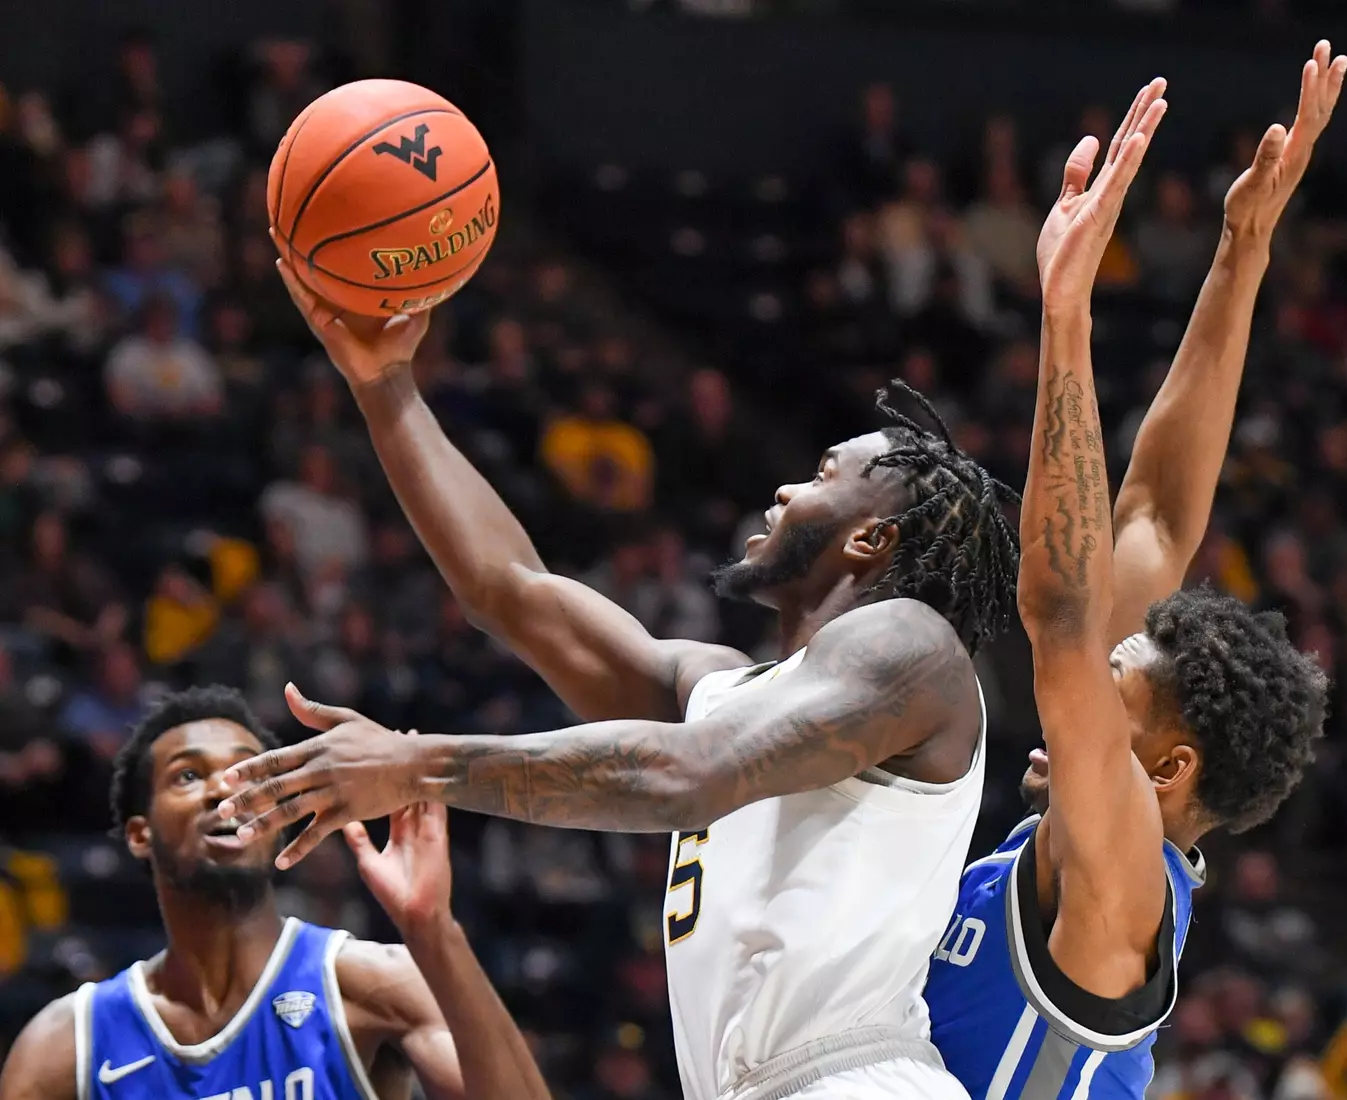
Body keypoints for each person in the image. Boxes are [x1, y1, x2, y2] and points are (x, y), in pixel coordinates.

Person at [208, 176, 1032, 1098]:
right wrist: (384, 384)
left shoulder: (911, 651)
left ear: (872, 538)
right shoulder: (724, 688)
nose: (785, 491)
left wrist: (414, 763)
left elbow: (691, 776)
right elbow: (508, 590)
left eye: (822, 474)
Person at [922, 45, 1345, 1100]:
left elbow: (1061, 614)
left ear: (1166, 768)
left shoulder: (1120, 879)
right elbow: (1155, 506)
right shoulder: (1090, 843)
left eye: (1113, 690)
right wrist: (1244, 246)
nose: (1073, 697)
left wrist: (1068, 317)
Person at [0, 686, 552, 1100]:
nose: (223, 789)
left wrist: (435, 931)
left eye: (248, 774)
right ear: (141, 835)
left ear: (278, 818)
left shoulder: (371, 983)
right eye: (187, 776)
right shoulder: (64, 1047)